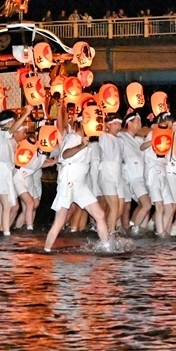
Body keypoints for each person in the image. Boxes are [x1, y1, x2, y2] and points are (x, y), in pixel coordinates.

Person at [44, 100, 111, 252]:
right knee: (59, 221)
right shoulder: (73, 138)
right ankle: (46, 250)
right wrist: (82, 145)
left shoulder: (89, 141)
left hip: (80, 183)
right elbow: (65, 154)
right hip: (68, 182)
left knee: (99, 214)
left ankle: (107, 247)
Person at [0, 104, 31, 236]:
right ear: (10, 122)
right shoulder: (0, 133)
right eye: (14, 121)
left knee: (2, 207)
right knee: (6, 206)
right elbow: (12, 130)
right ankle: (6, 235)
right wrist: (25, 114)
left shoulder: (5, 137)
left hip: (5, 172)